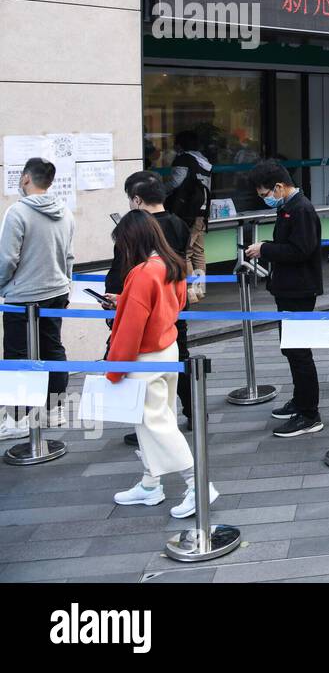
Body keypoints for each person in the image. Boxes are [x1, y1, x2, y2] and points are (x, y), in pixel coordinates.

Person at [106, 211, 218, 519]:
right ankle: (150, 481)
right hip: (167, 350)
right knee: (156, 420)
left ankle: (197, 484)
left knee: (157, 424)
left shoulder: (143, 273)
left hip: (145, 357)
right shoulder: (171, 264)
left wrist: (114, 368)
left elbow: (131, 329)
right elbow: (171, 306)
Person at [106, 172, 196, 445]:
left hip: (144, 309)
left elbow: (122, 270)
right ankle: (192, 410)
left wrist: (120, 300)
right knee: (179, 357)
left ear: (136, 199)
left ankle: (147, 422)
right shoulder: (179, 223)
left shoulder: (136, 230)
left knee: (144, 370)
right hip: (172, 309)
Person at [245, 162, 325, 437]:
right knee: (291, 349)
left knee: (300, 351)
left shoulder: (301, 209)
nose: (264, 198)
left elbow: (300, 250)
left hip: (299, 290)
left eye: (265, 192)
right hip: (289, 288)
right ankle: (300, 400)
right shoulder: (289, 207)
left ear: (279, 187)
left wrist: (264, 248)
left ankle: (309, 413)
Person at [0, 157, 74, 439]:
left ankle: (18, 420)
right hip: (56, 291)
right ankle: (53, 411)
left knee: (18, 356)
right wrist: (65, 283)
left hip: (23, 295)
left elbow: (7, 258)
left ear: (26, 178)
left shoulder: (17, 212)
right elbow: (69, 255)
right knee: (53, 349)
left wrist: (2, 285)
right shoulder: (65, 212)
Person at [164, 130, 212, 300]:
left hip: (186, 212)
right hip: (201, 210)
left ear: (180, 145)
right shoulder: (204, 161)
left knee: (186, 251)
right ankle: (200, 289)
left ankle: (190, 292)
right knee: (198, 251)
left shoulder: (183, 159)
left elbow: (176, 183)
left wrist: (159, 192)